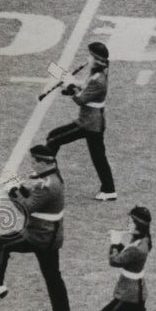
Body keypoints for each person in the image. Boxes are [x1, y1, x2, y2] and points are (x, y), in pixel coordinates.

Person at [0, 144, 72, 311]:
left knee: (1, 243)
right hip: (50, 234)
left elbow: (26, 208)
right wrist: (21, 186)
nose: (31, 164)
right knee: (53, 277)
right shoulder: (50, 177)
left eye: (33, 161)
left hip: (41, 235)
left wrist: (12, 191)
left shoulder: (48, 185)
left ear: (41, 162)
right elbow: (35, 199)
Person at [46, 41, 117, 200]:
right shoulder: (97, 73)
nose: (88, 58)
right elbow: (84, 86)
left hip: (88, 123)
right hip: (95, 122)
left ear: (96, 58)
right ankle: (109, 189)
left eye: (90, 55)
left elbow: (81, 99)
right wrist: (69, 81)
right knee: (99, 157)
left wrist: (70, 89)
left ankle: (51, 180)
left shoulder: (98, 79)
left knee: (52, 138)